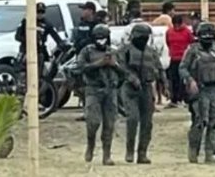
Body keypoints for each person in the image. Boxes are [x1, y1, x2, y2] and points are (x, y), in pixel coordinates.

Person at [181, 21, 215, 164]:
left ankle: (209, 154)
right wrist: (190, 80)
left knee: (214, 123)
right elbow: (183, 68)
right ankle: (193, 152)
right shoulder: (192, 50)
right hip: (200, 90)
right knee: (200, 122)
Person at [77, 24, 126, 165]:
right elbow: (80, 68)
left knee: (109, 124)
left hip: (110, 91)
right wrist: (99, 63)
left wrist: (114, 65)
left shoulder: (114, 52)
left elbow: (124, 72)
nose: (101, 41)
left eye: (103, 38)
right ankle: (90, 143)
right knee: (93, 121)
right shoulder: (86, 51)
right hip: (93, 89)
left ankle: (107, 155)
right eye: (98, 38)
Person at [118, 23, 165, 164]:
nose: (143, 40)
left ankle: (142, 153)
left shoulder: (151, 51)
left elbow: (160, 69)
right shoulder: (125, 50)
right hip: (130, 89)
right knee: (132, 119)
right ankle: (130, 151)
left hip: (146, 88)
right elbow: (120, 67)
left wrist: (165, 85)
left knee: (147, 123)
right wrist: (132, 78)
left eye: (145, 37)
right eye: (141, 37)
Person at [15, 2, 66, 81]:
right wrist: (29, 40)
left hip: (40, 50)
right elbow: (17, 36)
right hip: (26, 49)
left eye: (42, 12)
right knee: (21, 69)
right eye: (38, 12)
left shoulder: (47, 24)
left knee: (43, 71)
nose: (40, 14)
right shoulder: (26, 22)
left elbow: (56, 36)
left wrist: (62, 45)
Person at [165, 14, 194, 108]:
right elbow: (168, 43)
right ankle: (174, 99)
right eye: (175, 24)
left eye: (178, 24)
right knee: (173, 79)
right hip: (174, 58)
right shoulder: (169, 31)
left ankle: (184, 98)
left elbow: (191, 42)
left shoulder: (187, 31)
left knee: (183, 80)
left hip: (184, 58)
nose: (177, 26)